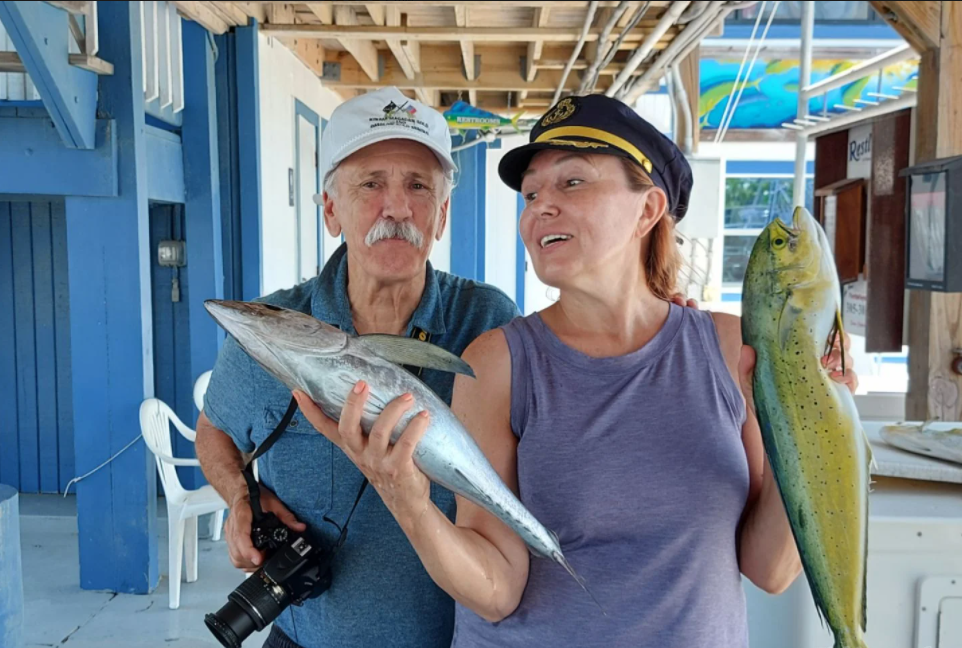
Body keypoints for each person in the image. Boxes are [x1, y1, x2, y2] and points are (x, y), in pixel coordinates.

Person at [294, 94, 858, 647]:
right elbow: (496, 591)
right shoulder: (498, 362)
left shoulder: (732, 347)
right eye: (531, 192)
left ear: (648, 209)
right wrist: (407, 500)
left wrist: (814, 438)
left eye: (573, 182)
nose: (540, 206)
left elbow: (771, 568)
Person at [195, 86, 524, 648]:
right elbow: (214, 430)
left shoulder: (488, 321)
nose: (396, 207)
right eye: (371, 183)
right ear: (331, 209)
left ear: (442, 215)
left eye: (418, 186)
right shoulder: (275, 330)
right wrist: (240, 496)